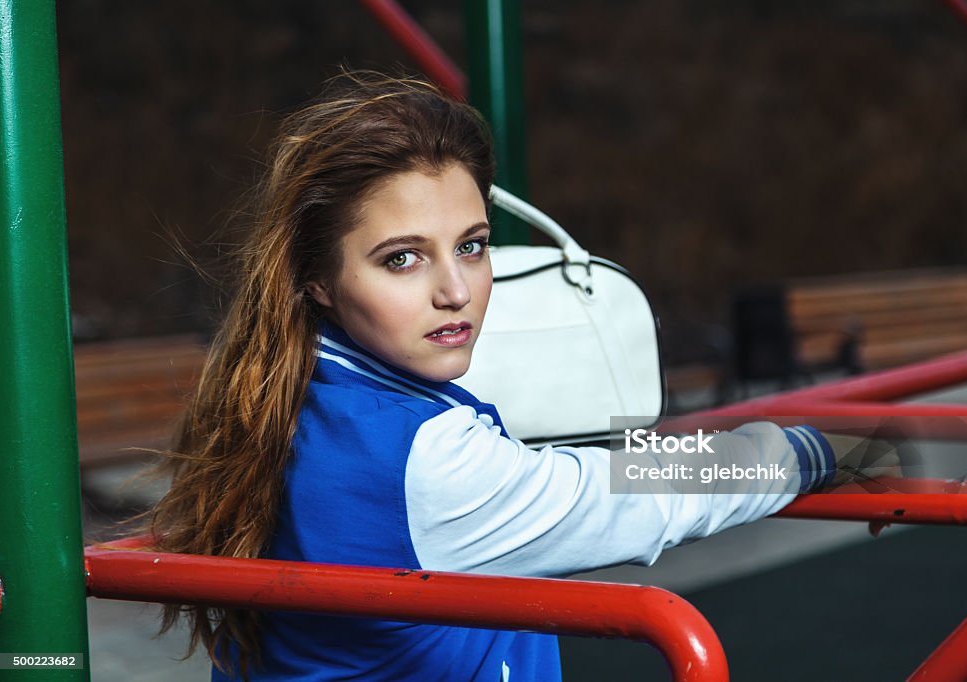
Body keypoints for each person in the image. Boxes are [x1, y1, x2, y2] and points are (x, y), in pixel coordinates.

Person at [147, 71, 898, 682]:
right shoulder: (422, 460)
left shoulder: (278, 386)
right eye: (401, 258)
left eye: (471, 246)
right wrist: (815, 448)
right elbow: (643, 494)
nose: (455, 290)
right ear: (315, 278)